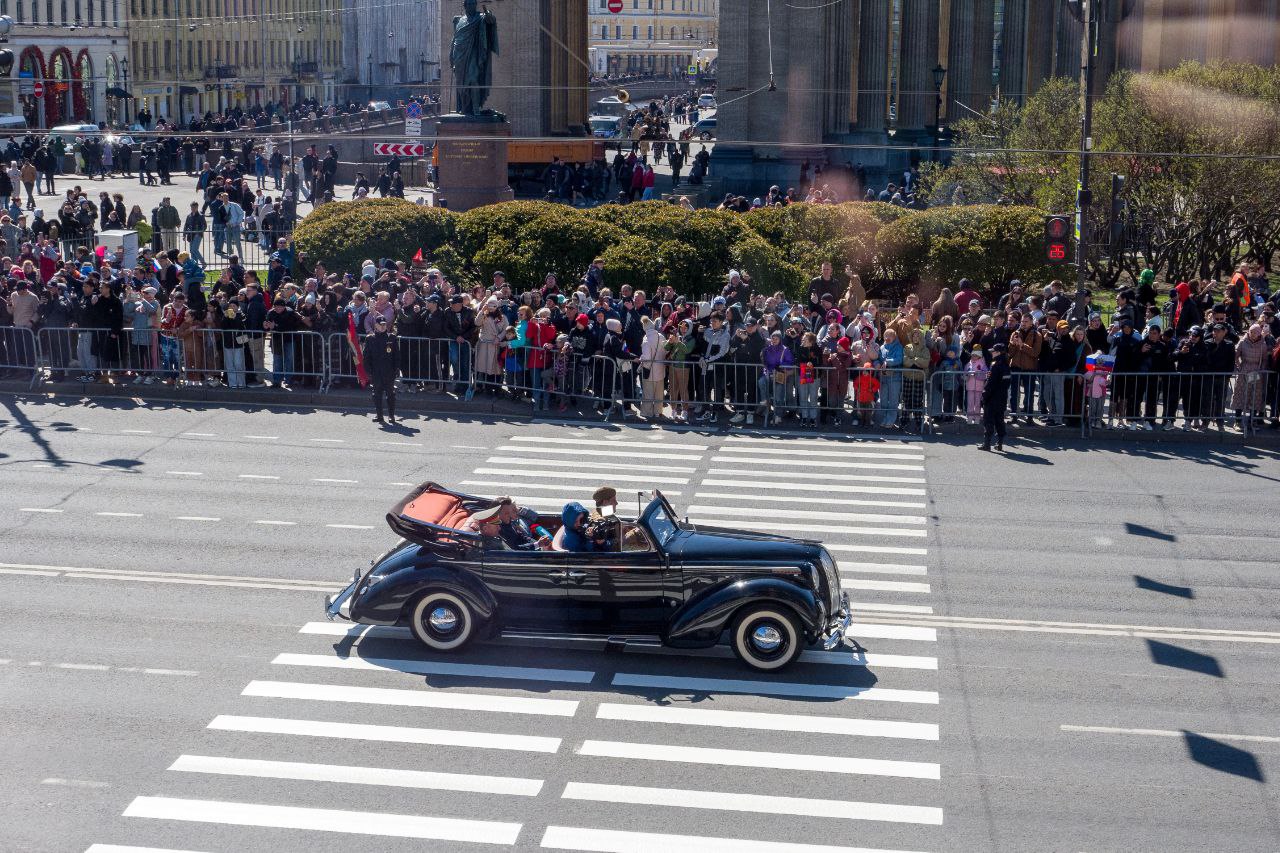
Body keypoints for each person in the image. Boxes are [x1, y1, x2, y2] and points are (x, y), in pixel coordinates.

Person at [363, 314, 399, 424]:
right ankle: (379, 415)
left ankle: (391, 416)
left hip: (388, 371)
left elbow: (396, 356)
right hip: (376, 371)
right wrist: (368, 371)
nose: (383, 326)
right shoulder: (370, 338)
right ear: (376, 325)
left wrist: (396, 369)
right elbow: (366, 357)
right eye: (380, 325)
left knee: (390, 394)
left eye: (384, 324)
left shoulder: (391, 338)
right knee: (376, 394)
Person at [980, 342, 1012, 451]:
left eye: (993, 351)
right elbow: (1006, 383)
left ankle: (987, 444)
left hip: (992, 398)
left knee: (988, 420)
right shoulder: (1006, 365)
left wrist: (984, 396)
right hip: (1002, 397)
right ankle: (1000, 443)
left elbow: (991, 384)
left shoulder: (995, 365)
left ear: (998, 352)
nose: (992, 353)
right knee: (999, 420)